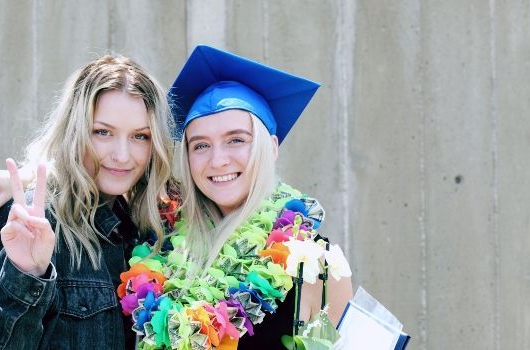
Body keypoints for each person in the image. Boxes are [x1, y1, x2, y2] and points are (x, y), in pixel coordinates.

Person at [117, 46, 354, 349]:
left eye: (236, 140)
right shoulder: (156, 249)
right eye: (201, 145)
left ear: (271, 146)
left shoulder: (316, 263)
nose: (218, 161)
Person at [0, 54, 174, 349]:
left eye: (140, 136)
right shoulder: (29, 220)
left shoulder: (142, 228)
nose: (122, 155)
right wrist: (25, 276)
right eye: (102, 132)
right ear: (75, 131)